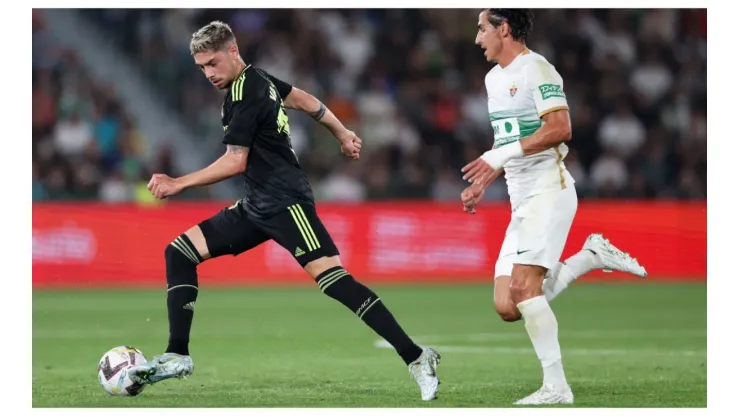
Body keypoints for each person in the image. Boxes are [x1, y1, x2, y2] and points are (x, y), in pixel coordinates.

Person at [128, 21, 441, 401]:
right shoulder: (259, 79)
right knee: (179, 252)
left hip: (287, 203)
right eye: (201, 67)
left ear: (232, 51)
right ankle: (178, 354)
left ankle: (417, 356)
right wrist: (341, 133)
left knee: (334, 281)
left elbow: (234, 161)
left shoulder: (247, 92)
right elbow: (307, 101)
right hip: (256, 204)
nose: (208, 73)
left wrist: (179, 183)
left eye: (212, 63)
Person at [460, 9, 647, 405]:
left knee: (525, 290)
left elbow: (561, 129)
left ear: (503, 29)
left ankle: (556, 387)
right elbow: (508, 140)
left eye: (482, 29)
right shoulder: (494, 79)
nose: (478, 39)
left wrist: (500, 155)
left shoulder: (538, 70)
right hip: (520, 200)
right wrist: (485, 177)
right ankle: (589, 256)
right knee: (507, 306)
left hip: (550, 191)